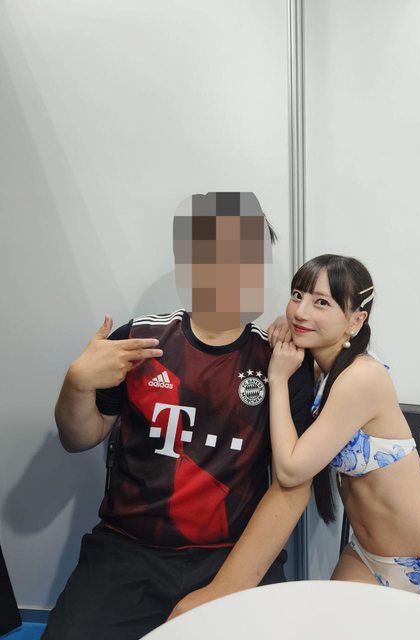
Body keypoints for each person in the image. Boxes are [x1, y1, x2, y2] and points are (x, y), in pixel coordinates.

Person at [43, 193, 330, 640]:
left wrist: (226, 587)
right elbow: (79, 437)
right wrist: (76, 383)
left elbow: (290, 487)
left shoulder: (281, 362)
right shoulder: (140, 341)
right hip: (128, 550)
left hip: (234, 553)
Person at [267, 253, 420, 615]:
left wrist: (277, 378)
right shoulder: (322, 370)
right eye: (297, 296)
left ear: (356, 320)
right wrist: (283, 328)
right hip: (366, 558)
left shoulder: (362, 377)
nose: (301, 311)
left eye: (321, 302)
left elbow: (289, 469)